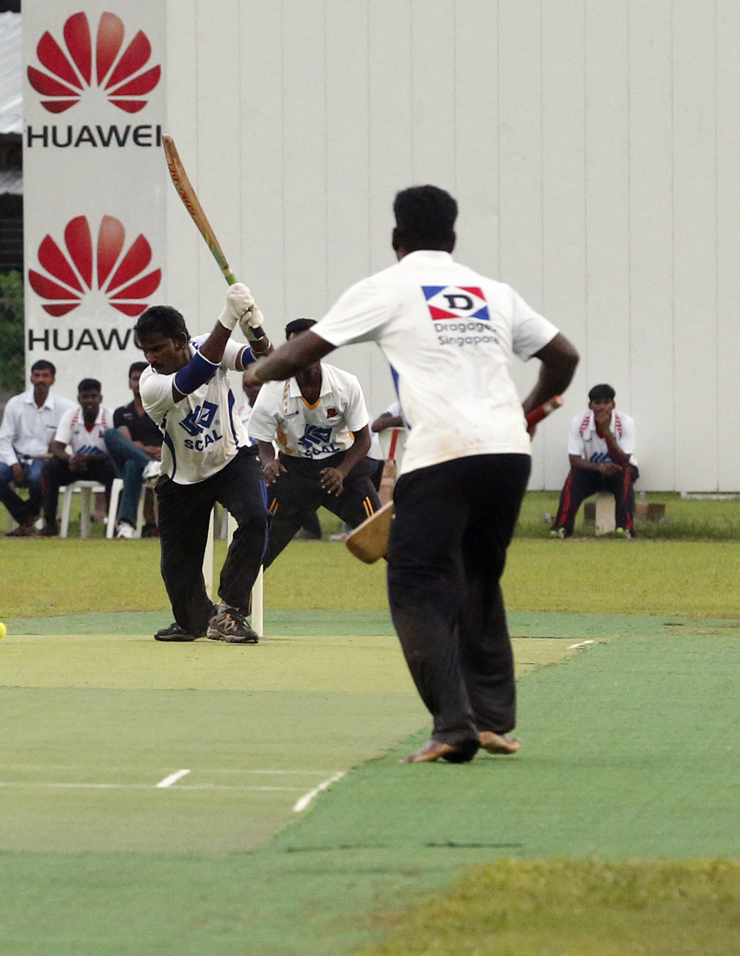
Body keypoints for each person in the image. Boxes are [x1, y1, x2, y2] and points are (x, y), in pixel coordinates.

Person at [242, 185, 579, 763]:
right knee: (477, 578)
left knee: (418, 585)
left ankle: (454, 725)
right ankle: (494, 720)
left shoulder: (388, 287)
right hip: (507, 453)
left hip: (443, 451)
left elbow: (301, 353)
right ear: (453, 238)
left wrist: (256, 374)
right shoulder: (491, 291)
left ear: (396, 239)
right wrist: (527, 413)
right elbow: (564, 357)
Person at [134, 286, 271, 645]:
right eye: (146, 351)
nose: (151, 358)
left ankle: (230, 612)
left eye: (158, 348)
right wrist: (228, 317)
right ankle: (196, 619)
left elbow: (265, 363)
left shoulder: (208, 344)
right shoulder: (151, 385)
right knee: (178, 569)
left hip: (231, 458)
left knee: (256, 517)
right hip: (182, 475)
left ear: (181, 340)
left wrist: (256, 333)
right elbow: (195, 375)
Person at [247, 319, 380, 568]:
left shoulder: (346, 383)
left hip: (343, 468)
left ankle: (429, 600)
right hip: (294, 469)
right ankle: (233, 603)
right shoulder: (274, 390)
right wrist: (268, 462)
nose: (303, 351)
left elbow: (363, 439)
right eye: (296, 344)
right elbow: (262, 439)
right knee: (260, 547)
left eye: (309, 343)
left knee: (383, 539)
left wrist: (342, 471)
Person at [0, 360, 71, 536]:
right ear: (31, 378)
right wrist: (14, 464)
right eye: (37, 375)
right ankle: (27, 516)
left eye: (45, 376)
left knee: (37, 479)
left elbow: (74, 435)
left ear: (52, 380)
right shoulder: (15, 403)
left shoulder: (65, 407)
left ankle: (27, 519)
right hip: (17, 456)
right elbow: (3, 440)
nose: (41, 380)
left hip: (45, 458)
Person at [550, 384, 637, 537]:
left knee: (626, 473)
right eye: (598, 403)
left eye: (606, 402)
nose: (602, 407)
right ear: (590, 405)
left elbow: (623, 460)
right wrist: (599, 467)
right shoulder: (579, 422)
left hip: (619, 468)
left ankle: (625, 529)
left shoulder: (625, 422)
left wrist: (605, 431)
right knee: (574, 476)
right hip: (594, 470)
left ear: (613, 405)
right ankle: (561, 527)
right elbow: (575, 460)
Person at [40, 378, 115, 536]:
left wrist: (90, 459)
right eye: (85, 397)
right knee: (50, 468)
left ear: (100, 399)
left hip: (99, 464)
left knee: (113, 469)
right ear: (78, 399)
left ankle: (113, 523)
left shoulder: (109, 416)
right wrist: (70, 459)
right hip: (76, 464)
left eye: (93, 396)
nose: (89, 401)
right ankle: (50, 523)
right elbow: (56, 446)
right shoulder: (71, 416)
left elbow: (114, 450)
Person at [106, 361, 163, 539]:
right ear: (129, 383)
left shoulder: (160, 408)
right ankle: (149, 465)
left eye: (142, 379)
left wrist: (156, 451)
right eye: (135, 379)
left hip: (162, 461)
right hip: (137, 463)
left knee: (133, 464)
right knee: (110, 434)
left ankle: (126, 524)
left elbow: (169, 439)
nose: (138, 383)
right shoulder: (121, 412)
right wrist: (147, 453)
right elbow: (127, 443)